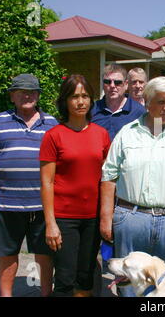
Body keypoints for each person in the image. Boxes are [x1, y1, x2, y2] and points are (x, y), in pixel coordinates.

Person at [100, 76, 165, 297]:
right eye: (161, 102)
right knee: (129, 287)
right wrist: (106, 219)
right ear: (147, 101)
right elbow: (109, 176)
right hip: (131, 219)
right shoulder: (127, 133)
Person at [0, 73, 57, 297]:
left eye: (32, 91)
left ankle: (45, 294)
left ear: (39, 95)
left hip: (42, 205)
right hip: (6, 204)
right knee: (8, 254)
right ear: (12, 96)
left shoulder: (52, 124)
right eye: (21, 91)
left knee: (44, 254)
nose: (27, 95)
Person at [39, 75, 110, 297]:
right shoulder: (53, 136)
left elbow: (108, 178)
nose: (80, 102)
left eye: (85, 96)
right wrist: (50, 223)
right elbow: (46, 182)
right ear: (65, 101)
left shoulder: (101, 134)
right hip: (64, 218)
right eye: (74, 97)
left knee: (86, 275)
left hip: (93, 217)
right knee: (65, 278)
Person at [91, 64, 145, 140]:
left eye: (117, 82)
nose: (112, 85)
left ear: (126, 85)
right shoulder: (92, 110)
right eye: (107, 82)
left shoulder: (139, 111)